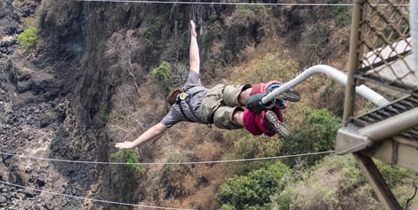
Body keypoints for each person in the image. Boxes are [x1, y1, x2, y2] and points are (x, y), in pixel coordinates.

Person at [114, 21, 299, 150]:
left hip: (209, 114)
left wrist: (134, 143)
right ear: (178, 92)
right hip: (215, 93)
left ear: (173, 102)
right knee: (241, 94)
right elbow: (194, 61)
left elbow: (156, 129)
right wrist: (193, 37)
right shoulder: (189, 86)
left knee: (236, 117)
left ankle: (263, 119)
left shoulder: (176, 112)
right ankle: (272, 93)